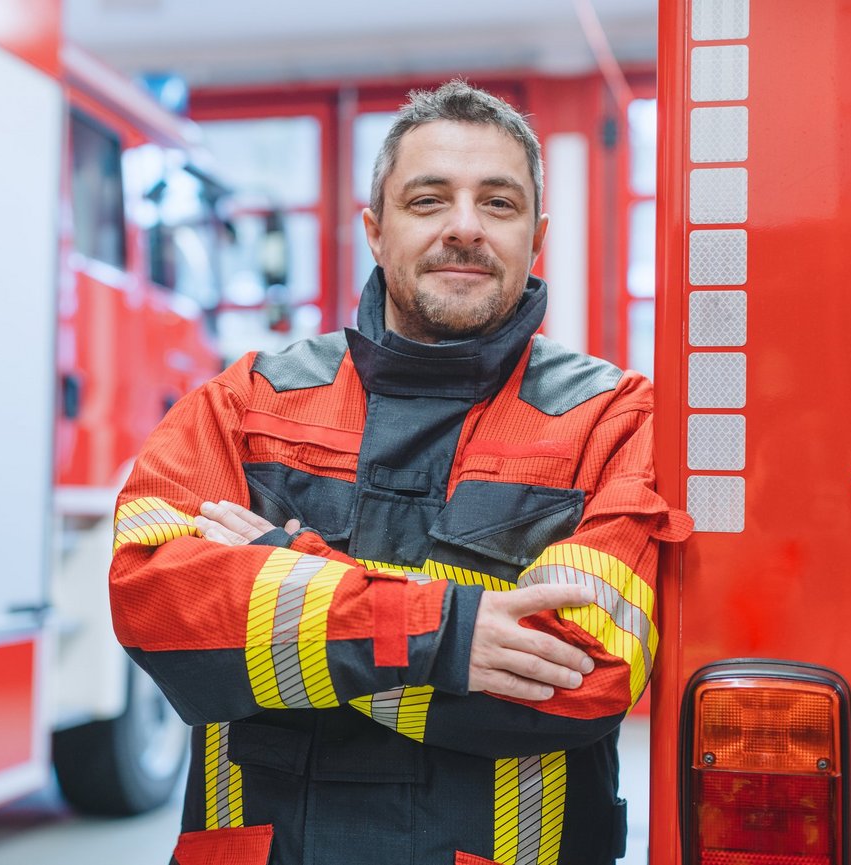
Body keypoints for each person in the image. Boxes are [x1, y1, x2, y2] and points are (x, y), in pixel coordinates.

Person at [109, 78, 692, 865]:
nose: (464, 227)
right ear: (375, 231)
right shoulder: (247, 400)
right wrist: (447, 637)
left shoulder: (613, 418)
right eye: (428, 201)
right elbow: (157, 602)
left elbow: (582, 670)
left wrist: (286, 576)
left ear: (536, 234)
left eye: (498, 202)